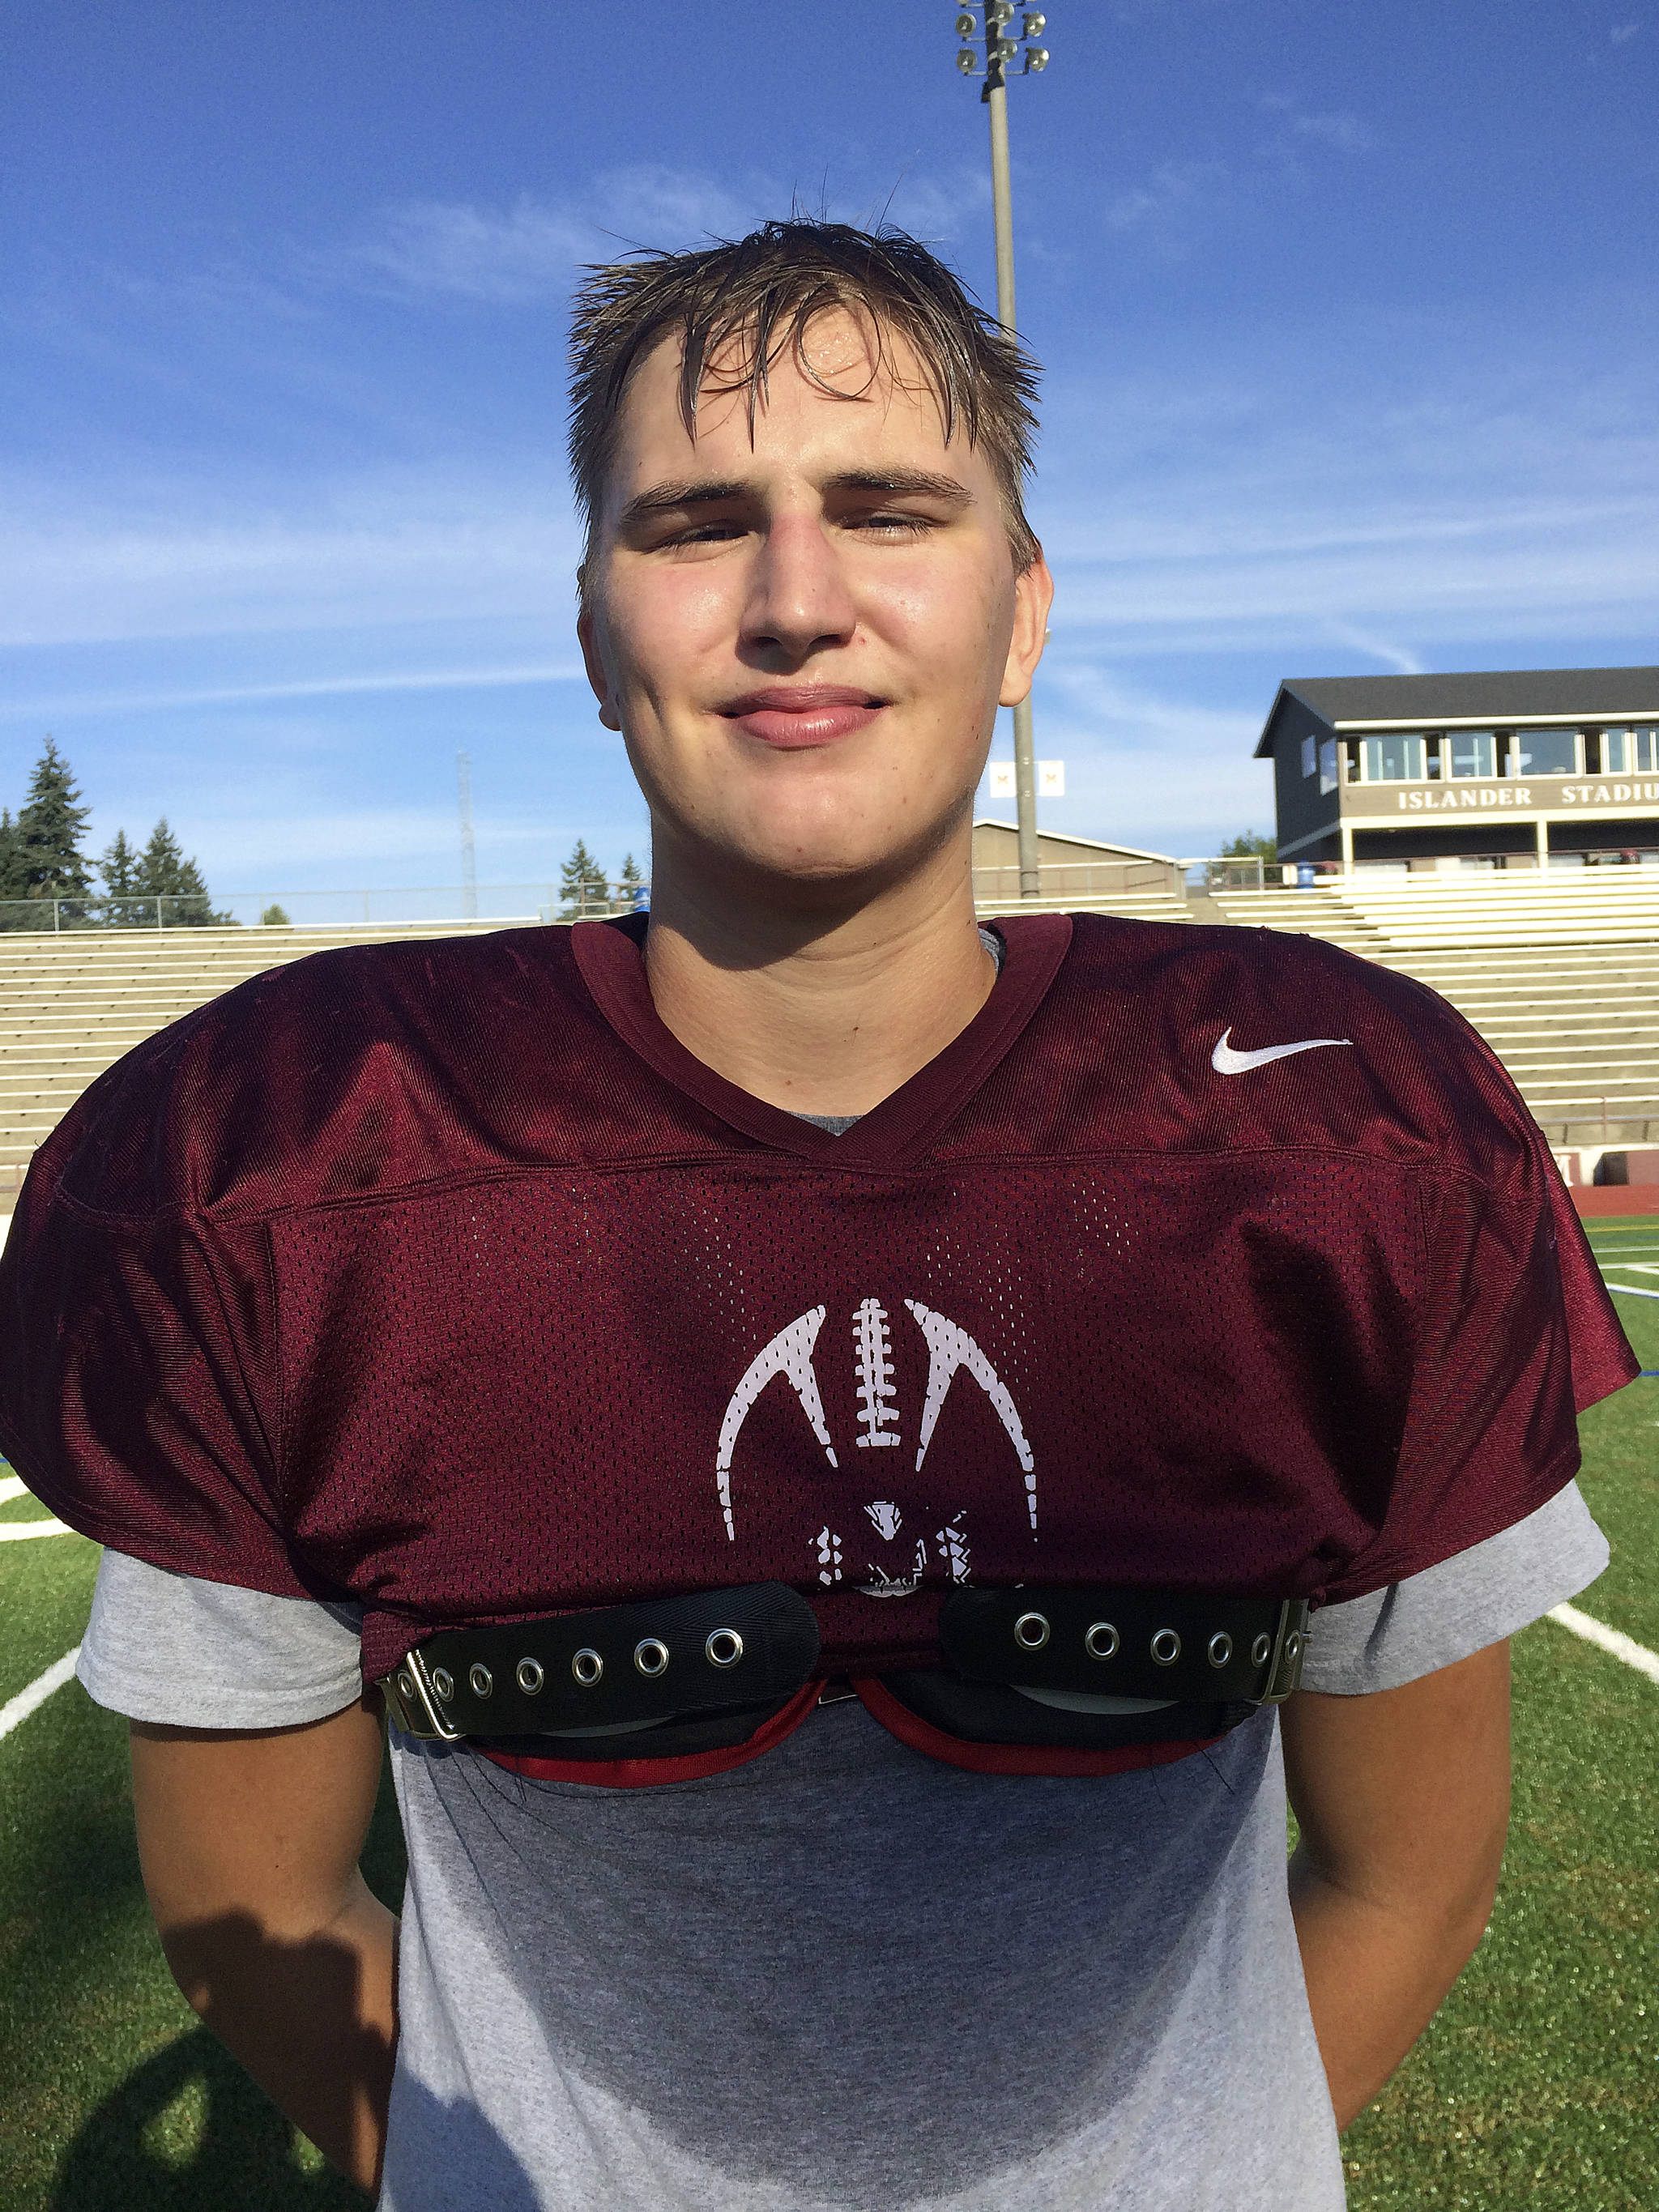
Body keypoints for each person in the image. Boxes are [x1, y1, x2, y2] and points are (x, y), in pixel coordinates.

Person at [0, 220, 1635, 2212]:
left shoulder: (1334, 1134)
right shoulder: (274, 1164)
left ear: (1019, 612)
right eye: (698, 522)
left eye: (887, 507)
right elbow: (248, 1898)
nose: (797, 600)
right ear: (597, 634)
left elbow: (1402, 1868)